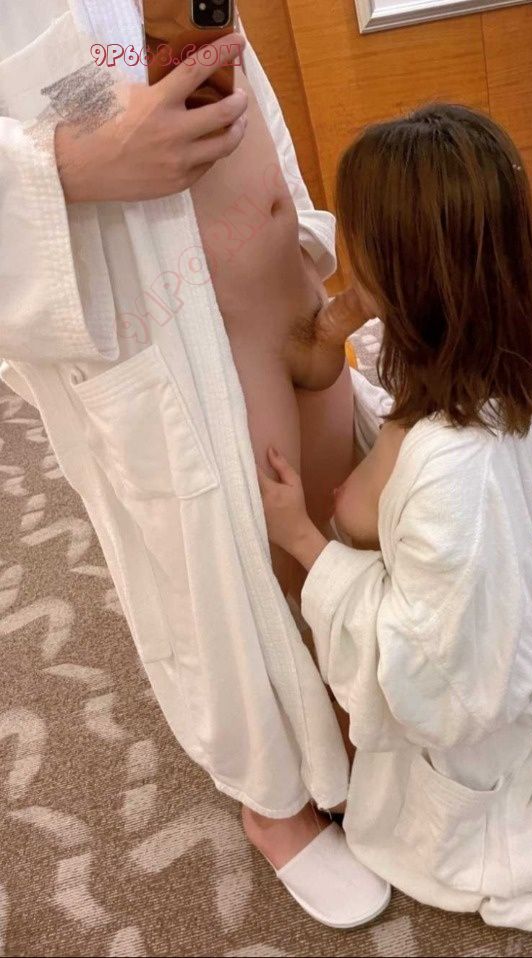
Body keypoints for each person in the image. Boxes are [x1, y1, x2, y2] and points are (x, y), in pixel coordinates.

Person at [258, 103, 532, 939]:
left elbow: (432, 673)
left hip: (466, 725)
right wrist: (341, 317)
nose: (347, 264)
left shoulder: (449, 475)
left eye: (362, 250)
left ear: (410, 280)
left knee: (429, 784)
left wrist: (306, 541)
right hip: (464, 585)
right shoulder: (482, 376)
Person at [0, 1, 388, 927]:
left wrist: (296, 226)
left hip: (279, 278)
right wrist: (59, 168)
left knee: (336, 511)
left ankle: (355, 722)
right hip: (164, 322)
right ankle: (275, 801)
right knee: (227, 563)